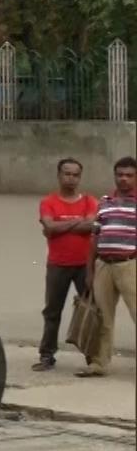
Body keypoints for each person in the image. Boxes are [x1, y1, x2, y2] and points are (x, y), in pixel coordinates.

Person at [34, 158, 98, 370]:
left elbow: (91, 225)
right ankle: (47, 355)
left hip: (85, 265)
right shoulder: (48, 202)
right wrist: (76, 224)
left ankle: (93, 356)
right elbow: (49, 226)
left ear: (80, 177)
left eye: (75, 175)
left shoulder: (90, 201)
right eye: (67, 174)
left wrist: (59, 225)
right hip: (57, 265)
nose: (71, 178)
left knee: (90, 310)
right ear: (59, 175)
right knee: (52, 311)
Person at [79, 156, 137, 377]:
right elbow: (94, 238)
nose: (124, 179)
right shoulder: (104, 202)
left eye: (129, 175)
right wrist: (90, 270)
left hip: (129, 265)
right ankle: (99, 363)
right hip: (103, 265)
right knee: (102, 316)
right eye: (120, 174)